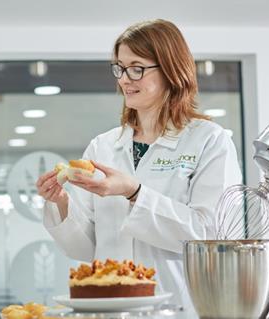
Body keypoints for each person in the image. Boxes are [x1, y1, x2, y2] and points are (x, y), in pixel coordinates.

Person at [36, 20, 242, 317]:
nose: (124, 79)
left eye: (137, 68)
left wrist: (135, 193)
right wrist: (62, 202)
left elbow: (211, 238)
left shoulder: (209, 140)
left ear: (171, 69)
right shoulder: (103, 146)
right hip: (109, 309)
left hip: (178, 307)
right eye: (119, 68)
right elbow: (84, 250)